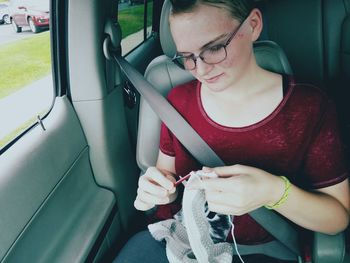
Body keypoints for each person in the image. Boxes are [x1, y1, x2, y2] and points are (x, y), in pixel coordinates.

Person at [114, 0, 349, 262]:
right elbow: (166, 176)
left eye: (214, 48)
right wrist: (159, 189)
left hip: (268, 248)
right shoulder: (177, 103)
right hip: (185, 239)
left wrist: (273, 191)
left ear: (253, 25)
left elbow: (336, 217)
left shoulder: (310, 107)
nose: (200, 70)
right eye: (186, 57)